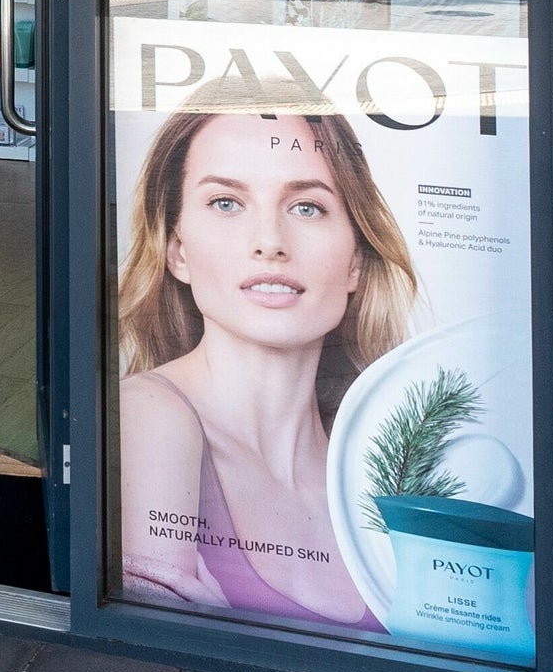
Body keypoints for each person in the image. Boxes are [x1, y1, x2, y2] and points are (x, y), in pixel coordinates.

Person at [116, 78, 419, 632]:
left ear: (355, 259)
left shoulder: (383, 464)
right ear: (177, 250)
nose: (269, 242)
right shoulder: (150, 416)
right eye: (226, 203)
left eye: (306, 206)